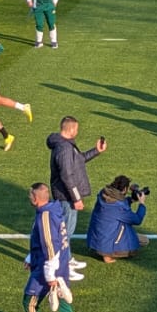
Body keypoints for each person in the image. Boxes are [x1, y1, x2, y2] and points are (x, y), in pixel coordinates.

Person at [16, 182, 79, 312]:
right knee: (63, 301)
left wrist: (50, 274)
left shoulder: (44, 216)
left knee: (29, 301)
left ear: (35, 199)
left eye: (30, 196)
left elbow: (51, 245)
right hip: (61, 265)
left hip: (49, 267)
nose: (29, 198)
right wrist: (31, 257)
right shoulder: (54, 210)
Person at [46, 116, 103, 280]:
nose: (77, 132)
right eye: (76, 129)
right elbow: (67, 175)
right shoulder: (64, 148)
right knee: (65, 233)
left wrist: (96, 151)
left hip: (67, 195)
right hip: (67, 196)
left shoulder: (66, 145)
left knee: (66, 231)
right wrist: (76, 198)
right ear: (70, 129)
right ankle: (62, 267)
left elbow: (79, 160)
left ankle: (68, 259)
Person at [85, 177, 150, 261]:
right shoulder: (120, 207)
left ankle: (102, 250)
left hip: (95, 240)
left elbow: (117, 204)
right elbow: (137, 220)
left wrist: (131, 200)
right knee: (144, 240)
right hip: (109, 241)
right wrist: (142, 203)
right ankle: (108, 254)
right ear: (125, 189)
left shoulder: (103, 194)